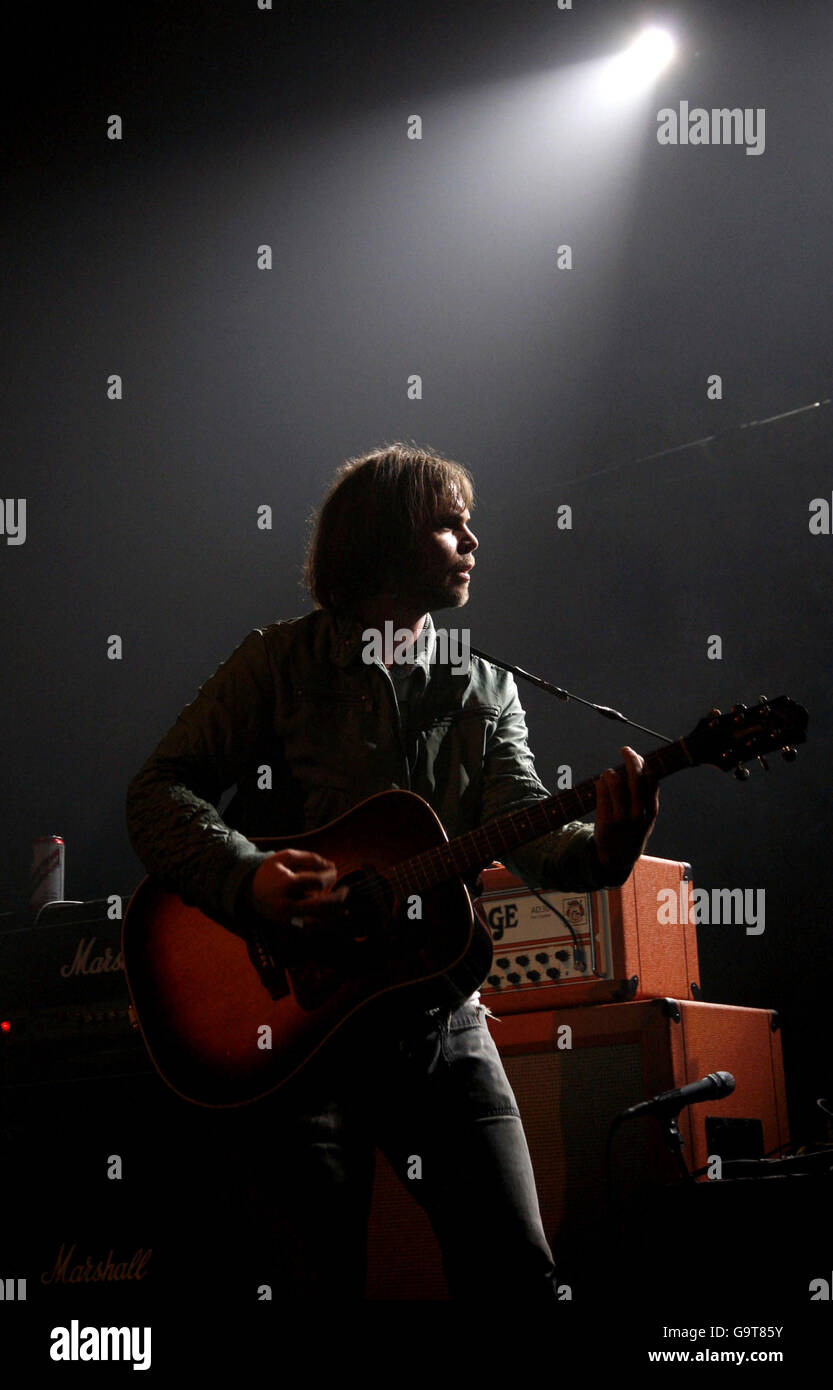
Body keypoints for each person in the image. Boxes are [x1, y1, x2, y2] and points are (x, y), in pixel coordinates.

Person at [125, 442, 659, 1302]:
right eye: (449, 524)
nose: (472, 541)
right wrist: (248, 875)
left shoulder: (484, 688)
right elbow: (156, 793)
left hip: (438, 1026)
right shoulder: (276, 665)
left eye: (469, 525)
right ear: (384, 539)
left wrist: (609, 848)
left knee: (523, 1286)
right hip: (296, 1045)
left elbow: (522, 826)